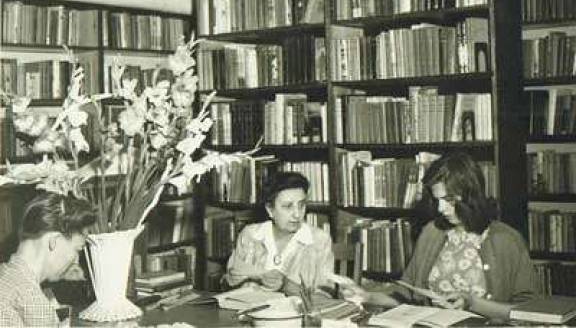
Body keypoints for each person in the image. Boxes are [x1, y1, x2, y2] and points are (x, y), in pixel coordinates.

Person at [342, 152, 536, 321]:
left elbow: (529, 311)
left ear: (471, 196)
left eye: (449, 199)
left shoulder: (506, 240)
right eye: (437, 200)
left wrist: (472, 303)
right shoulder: (432, 232)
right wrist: (367, 296)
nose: (441, 209)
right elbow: (405, 294)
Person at [226, 172, 334, 295]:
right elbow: (229, 282)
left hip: (296, 313)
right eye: (288, 207)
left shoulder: (319, 240)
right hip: (250, 310)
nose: (297, 214)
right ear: (270, 210)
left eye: (301, 205)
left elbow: (324, 297)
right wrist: (235, 278)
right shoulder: (250, 234)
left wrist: (285, 285)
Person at [0, 191, 96, 326]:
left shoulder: (7, 277)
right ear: (54, 241)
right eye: (76, 249)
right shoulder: (31, 300)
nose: (75, 261)